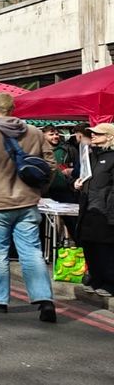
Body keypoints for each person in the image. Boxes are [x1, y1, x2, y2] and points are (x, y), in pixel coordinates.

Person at [0, 92, 57, 322]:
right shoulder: (35, 133)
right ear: (13, 108)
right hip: (27, 202)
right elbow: (50, 165)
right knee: (32, 251)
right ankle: (44, 300)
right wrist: (40, 189)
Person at [75, 123, 114, 297]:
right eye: (92, 134)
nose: (93, 136)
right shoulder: (89, 156)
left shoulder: (112, 157)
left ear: (109, 136)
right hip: (88, 207)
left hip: (105, 209)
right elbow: (84, 176)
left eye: (98, 134)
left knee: (105, 247)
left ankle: (110, 283)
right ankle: (95, 278)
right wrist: (76, 183)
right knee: (89, 245)